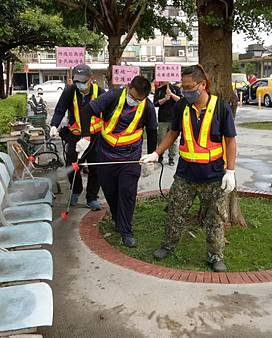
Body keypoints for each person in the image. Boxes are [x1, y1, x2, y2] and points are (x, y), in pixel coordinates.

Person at [142, 64, 238, 273]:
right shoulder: (182, 107)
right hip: (185, 175)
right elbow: (172, 133)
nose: (185, 91)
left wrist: (230, 171)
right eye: (182, 87)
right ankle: (167, 245)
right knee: (175, 211)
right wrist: (156, 153)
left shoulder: (221, 108)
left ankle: (215, 256)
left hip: (214, 176)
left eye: (188, 87)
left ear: (202, 85)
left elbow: (230, 141)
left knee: (216, 218)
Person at [78, 75, 158, 248]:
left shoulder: (148, 107)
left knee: (127, 193)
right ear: (129, 87)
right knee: (111, 191)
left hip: (130, 157)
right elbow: (86, 111)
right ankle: (117, 219)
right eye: (133, 96)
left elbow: (152, 131)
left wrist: (152, 157)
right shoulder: (113, 96)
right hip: (105, 154)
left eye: (139, 99)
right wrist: (85, 137)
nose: (134, 101)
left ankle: (126, 231)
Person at [50, 64, 105, 211]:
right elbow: (60, 110)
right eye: (77, 81)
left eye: (83, 81)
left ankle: (92, 197)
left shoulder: (99, 92)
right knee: (72, 165)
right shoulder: (70, 91)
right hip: (75, 136)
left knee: (96, 168)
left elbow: (108, 114)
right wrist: (54, 125)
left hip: (94, 137)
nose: (80, 84)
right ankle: (76, 189)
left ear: (91, 79)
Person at [154, 81, 182, 165]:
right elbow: (155, 103)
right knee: (161, 139)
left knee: (174, 140)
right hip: (162, 119)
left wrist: (172, 95)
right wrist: (165, 99)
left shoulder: (175, 88)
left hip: (174, 119)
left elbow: (181, 101)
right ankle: (160, 155)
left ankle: (171, 158)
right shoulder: (158, 90)